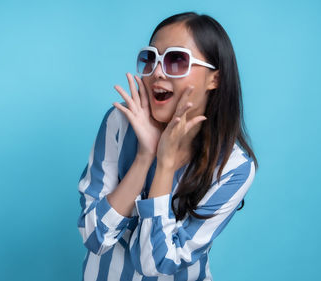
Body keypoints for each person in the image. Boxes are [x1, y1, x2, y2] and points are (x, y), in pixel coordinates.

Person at [77, 11, 258, 281]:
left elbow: (154, 263)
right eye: (151, 59)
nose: (157, 72)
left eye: (176, 60)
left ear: (214, 79)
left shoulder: (233, 167)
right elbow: (95, 237)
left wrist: (165, 165)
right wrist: (144, 156)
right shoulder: (121, 122)